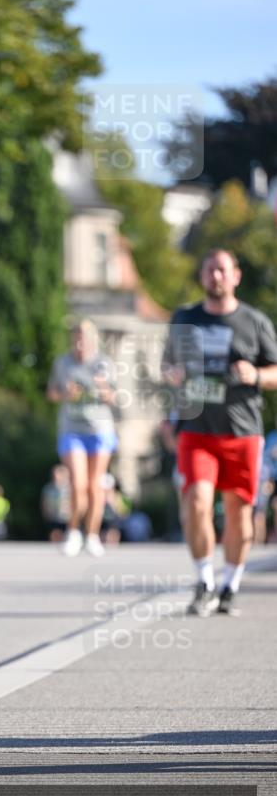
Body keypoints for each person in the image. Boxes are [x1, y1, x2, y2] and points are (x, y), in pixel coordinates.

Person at [162, 248, 277, 616]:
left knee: (239, 513)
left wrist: (257, 375)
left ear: (236, 276)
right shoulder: (185, 318)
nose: (216, 276)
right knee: (196, 502)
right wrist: (173, 379)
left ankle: (230, 584)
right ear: (202, 276)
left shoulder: (254, 322)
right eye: (210, 270)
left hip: (242, 431)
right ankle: (204, 581)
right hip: (196, 430)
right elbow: (169, 366)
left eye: (222, 270)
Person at [47, 319, 118, 557]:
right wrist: (65, 393)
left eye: (85, 338)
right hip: (72, 430)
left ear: (93, 340)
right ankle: (74, 532)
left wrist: (102, 388)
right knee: (78, 483)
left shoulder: (103, 363)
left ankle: (92, 535)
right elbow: (52, 393)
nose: (80, 343)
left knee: (95, 485)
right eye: (77, 338)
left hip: (99, 430)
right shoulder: (63, 363)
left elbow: (113, 397)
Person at [40, 464, 72, 542]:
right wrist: (45, 513)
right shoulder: (48, 488)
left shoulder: (71, 488)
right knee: (55, 533)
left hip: (67, 516)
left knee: (68, 534)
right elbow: (44, 502)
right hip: (54, 516)